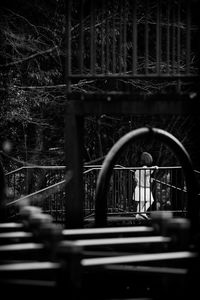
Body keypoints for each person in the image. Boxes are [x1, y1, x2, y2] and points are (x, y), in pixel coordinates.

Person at [133, 152, 158, 220]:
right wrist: (154, 168)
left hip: (138, 187)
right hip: (145, 188)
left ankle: (138, 215)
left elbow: (136, 179)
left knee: (141, 202)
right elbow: (147, 172)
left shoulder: (137, 170)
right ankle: (142, 212)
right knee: (151, 200)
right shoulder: (145, 168)